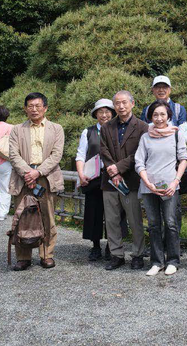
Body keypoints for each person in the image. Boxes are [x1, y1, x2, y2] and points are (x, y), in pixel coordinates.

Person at [7, 92, 65, 271]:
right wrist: (28, 173)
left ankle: (46, 254)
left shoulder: (56, 129)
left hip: (46, 177)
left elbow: (57, 154)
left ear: (45, 108)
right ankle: (23, 257)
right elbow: (13, 154)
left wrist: (38, 172)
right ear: (25, 109)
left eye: (37, 106)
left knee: (47, 217)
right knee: (22, 215)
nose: (34, 109)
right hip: (23, 178)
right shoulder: (17, 129)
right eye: (30, 106)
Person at [135, 100, 187, 277]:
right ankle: (157, 261)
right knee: (153, 224)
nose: (159, 118)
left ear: (169, 116)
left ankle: (173, 260)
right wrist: (147, 182)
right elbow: (139, 162)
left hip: (170, 186)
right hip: (149, 187)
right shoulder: (145, 137)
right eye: (155, 115)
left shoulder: (176, 134)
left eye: (162, 114)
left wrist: (175, 182)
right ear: (150, 116)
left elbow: (183, 159)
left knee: (171, 223)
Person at [99, 90, 149, 271]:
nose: (121, 106)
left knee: (135, 220)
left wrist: (119, 168)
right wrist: (113, 171)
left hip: (132, 180)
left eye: (124, 102)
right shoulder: (106, 127)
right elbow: (103, 150)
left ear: (132, 104)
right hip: (110, 181)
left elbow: (140, 154)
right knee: (111, 220)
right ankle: (116, 254)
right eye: (117, 103)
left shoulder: (143, 127)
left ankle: (137, 254)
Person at [75, 99, 116, 261]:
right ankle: (96, 246)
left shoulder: (117, 130)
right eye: (101, 112)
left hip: (113, 178)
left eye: (107, 112)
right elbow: (80, 154)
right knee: (94, 212)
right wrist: (80, 174)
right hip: (93, 178)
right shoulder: (88, 132)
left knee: (114, 213)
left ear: (112, 114)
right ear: (95, 114)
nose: (104, 115)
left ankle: (111, 246)